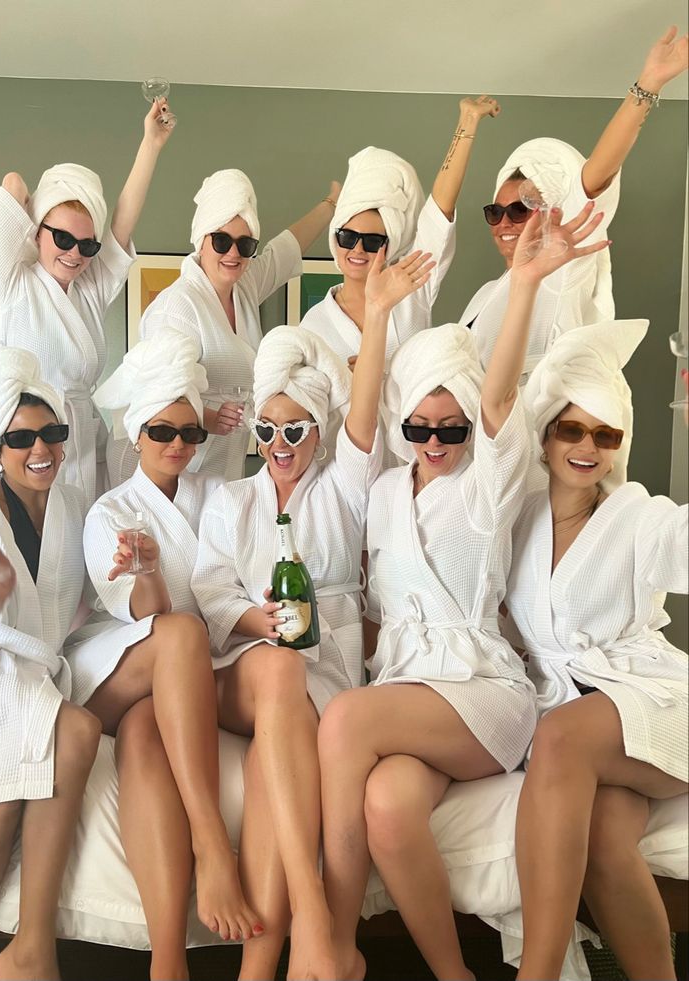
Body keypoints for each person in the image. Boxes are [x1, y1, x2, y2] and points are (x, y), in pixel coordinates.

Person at [316, 202, 610, 981]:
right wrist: (375, 320)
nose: (438, 443)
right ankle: (456, 974)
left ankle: (331, 949)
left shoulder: (489, 484)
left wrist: (523, 288)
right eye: (421, 429)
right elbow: (362, 426)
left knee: (346, 720)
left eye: (452, 429)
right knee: (385, 805)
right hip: (413, 690)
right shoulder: (381, 494)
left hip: (482, 692)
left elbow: (500, 400)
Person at [192, 247, 434, 980]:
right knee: (273, 671)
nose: (279, 447)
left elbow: (364, 411)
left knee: (276, 759)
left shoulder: (344, 489)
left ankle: (260, 968)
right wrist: (251, 621)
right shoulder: (229, 500)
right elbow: (207, 590)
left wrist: (381, 311)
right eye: (267, 432)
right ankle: (316, 918)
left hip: (319, 681)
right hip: (243, 668)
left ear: (320, 432)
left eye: (296, 431)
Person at [65, 328, 257, 981]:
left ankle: (167, 959)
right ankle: (212, 843)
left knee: (148, 736)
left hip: (176, 688)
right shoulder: (109, 512)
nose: (177, 443)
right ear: (136, 434)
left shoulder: (218, 499)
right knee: (178, 633)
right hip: (121, 666)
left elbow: (237, 584)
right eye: (162, 430)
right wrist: (146, 569)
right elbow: (145, 617)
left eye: (190, 433)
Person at [505, 320, 688, 981]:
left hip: (652, 700)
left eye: (605, 435)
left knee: (557, 738)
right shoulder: (518, 521)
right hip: (586, 718)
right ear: (547, 434)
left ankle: (538, 974)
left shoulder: (636, 515)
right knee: (608, 839)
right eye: (572, 429)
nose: (587, 447)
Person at [0, 347, 101, 980]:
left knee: (74, 733)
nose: (40, 449)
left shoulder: (70, 506)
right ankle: (29, 954)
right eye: (20, 438)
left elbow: (88, 599)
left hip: (33, 673)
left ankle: (30, 952)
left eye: (52, 433)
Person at [0, 98, 175, 504]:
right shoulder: (9, 284)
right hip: (21, 448)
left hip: (80, 447)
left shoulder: (89, 290)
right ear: (36, 230)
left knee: (82, 557)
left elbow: (122, 222)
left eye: (87, 243)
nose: (75, 254)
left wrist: (150, 144)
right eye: (62, 238)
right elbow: (13, 184)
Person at [462, 26, 689, 380]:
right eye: (495, 212)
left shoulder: (559, 270)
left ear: (554, 214)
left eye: (519, 209)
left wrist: (648, 85)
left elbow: (595, 177)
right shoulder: (487, 294)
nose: (504, 223)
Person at [104, 169, 341, 485]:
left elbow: (284, 252)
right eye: (221, 241)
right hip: (172, 459)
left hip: (220, 457)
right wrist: (209, 417)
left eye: (245, 245)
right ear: (201, 240)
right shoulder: (177, 307)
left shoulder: (242, 286)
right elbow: (157, 393)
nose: (233, 253)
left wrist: (331, 204)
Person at [301, 98, 499, 370]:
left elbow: (439, 210)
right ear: (336, 240)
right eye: (348, 237)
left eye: (373, 242)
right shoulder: (314, 322)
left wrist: (467, 123)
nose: (358, 250)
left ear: (389, 245)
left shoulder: (410, 287)